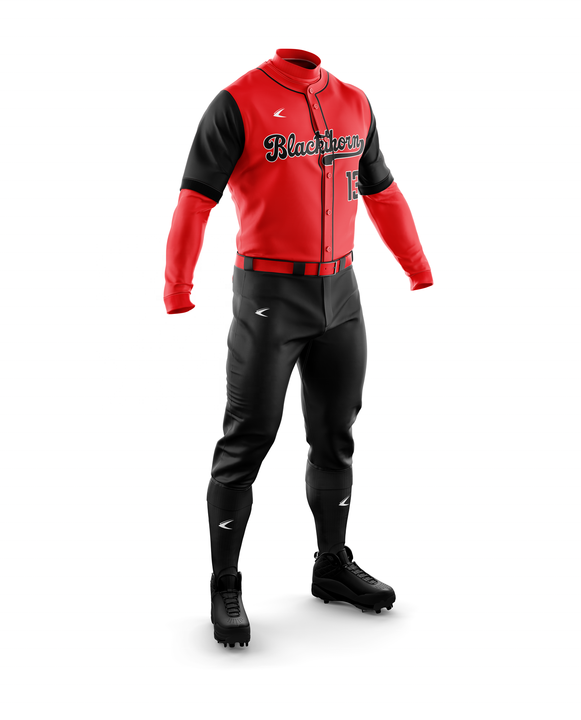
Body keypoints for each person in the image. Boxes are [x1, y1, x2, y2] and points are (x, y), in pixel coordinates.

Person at [163, 48, 433, 648]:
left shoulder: (354, 102)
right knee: (248, 439)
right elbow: (195, 199)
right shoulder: (237, 103)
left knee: (336, 434)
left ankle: (331, 564)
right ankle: (225, 583)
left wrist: (417, 265)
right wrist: (177, 287)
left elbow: (383, 190)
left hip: (342, 293)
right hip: (270, 297)